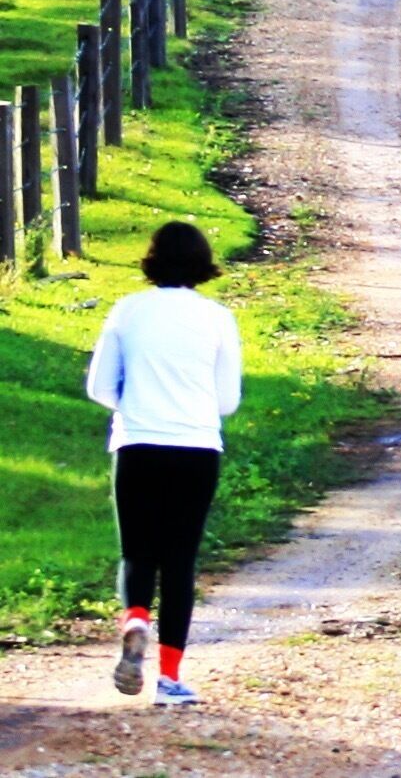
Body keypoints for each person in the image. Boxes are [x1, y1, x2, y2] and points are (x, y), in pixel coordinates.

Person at [84, 221, 242, 707]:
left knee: (137, 553)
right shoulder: (218, 317)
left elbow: (98, 387)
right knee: (179, 562)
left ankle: (135, 619)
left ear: (151, 260)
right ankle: (170, 681)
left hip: (137, 445)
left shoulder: (127, 311)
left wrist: (134, 408)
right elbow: (227, 400)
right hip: (196, 448)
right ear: (203, 263)